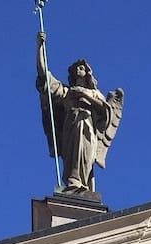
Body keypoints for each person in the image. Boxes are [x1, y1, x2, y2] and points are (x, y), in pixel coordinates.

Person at [36, 31, 124, 193]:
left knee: (85, 158)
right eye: (76, 68)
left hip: (88, 128)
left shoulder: (95, 93)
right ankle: (73, 183)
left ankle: (83, 185)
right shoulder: (67, 92)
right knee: (72, 159)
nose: (78, 70)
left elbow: (106, 113)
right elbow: (44, 76)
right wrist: (40, 47)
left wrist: (85, 95)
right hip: (71, 126)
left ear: (87, 72)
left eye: (81, 68)